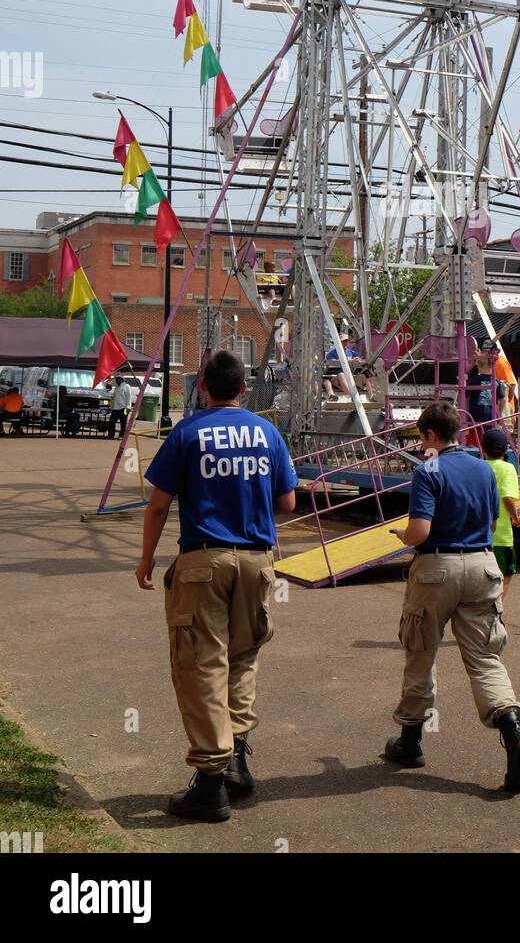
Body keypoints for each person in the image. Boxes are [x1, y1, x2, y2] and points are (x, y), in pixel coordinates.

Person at [135, 349, 297, 822]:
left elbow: (159, 504)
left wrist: (146, 560)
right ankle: (237, 759)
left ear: (203, 387)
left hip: (203, 560)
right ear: (244, 388)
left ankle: (209, 781)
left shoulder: (187, 432)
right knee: (243, 656)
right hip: (256, 561)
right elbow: (286, 500)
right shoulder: (267, 432)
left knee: (202, 664)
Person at [385, 400, 520, 791]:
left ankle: (410, 742)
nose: (422, 447)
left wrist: (404, 537)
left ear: (432, 435)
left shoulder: (428, 470)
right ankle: (513, 731)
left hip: (437, 570)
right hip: (483, 566)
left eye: (422, 439)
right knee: (485, 658)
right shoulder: (484, 470)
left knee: (421, 652)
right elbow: (489, 521)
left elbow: (419, 531)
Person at [483, 426, 520, 596]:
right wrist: (516, 518)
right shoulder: (507, 469)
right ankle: (495, 613)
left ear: (483, 449)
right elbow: (507, 498)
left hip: (479, 536)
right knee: (505, 576)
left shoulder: (479, 466)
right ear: (505, 449)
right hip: (501, 537)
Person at [467, 341, 505, 445]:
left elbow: (466, 398)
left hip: (474, 418)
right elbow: (502, 399)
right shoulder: (496, 381)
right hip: (490, 418)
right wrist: (499, 416)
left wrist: (465, 414)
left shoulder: (474, 380)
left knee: (474, 443)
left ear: (478, 363)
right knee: (488, 442)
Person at [323, 332, 360, 399]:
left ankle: (372, 396)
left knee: (363, 377)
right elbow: (332, 361)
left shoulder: (351, 352)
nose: (345, 343)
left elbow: (360, 359)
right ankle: (351, 396)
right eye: (343, 341)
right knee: (341, 375)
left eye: (346, 341)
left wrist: (359, 360)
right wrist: (348, 361)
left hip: (350, 376)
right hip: (336, 377)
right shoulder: (331, 354)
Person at [108, 372, 133, 439]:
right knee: (111, 421)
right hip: (116, 408)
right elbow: (114, 398)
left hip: (124, 408)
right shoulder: (116, 387)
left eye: (118, 379)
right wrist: (111, 407)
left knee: (123, 422)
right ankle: (111, 435)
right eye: (116, 379)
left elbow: (129, 398)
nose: (116, 380)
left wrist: (127, 407)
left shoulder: (126, 386)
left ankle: (121, 436)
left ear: (121, 379)